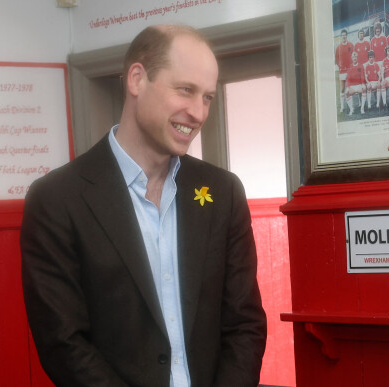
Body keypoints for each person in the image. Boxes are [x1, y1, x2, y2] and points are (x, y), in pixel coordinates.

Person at [20, 24, 267, 387]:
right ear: (137, 79)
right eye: (185, 90)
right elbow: (64, 343)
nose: (198, 112)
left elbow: (245, 325)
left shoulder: (223, 192)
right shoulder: (57, 199)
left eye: (207, 98)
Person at [335, 29, 354, 112]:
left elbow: (354, 56)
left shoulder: (351, 45)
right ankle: (342, 107)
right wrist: (339, 66)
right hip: (342, 71)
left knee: (350, 88)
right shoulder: (338, 47)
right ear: (341, 36)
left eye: (345, 35)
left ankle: (352, 106)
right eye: (342, 35)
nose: (343, 37)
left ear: (347, 36)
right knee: (342, 88)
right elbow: (336, 58)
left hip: (350, 70)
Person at [345, 51, 366, 115]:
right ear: (351, 58)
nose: (354, 58)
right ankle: (351, 109)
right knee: (346, 92)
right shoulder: (350, 67)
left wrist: (362, 84)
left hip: (359, 85)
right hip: (352, 86)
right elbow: (348, 79)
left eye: (355, 57)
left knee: (364, 89)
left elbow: (362, 75)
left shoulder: (360, 65)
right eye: (353, 57)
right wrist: (349, 87)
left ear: (357, 57)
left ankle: (362, 108)